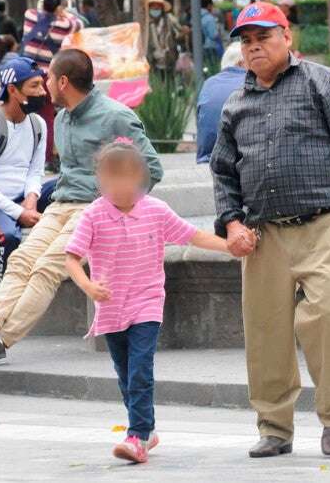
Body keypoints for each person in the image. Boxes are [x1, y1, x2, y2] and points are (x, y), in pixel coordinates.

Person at [211, 2, 330, 459]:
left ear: (287, 37)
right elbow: (224, 173)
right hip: (263, 235)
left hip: (323, 224)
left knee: (325, 317)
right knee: (265, 333)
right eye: (246, 40)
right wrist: (232, 223)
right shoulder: (236, 104)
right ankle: (275, 428)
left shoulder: (322, 82)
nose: (253, 46)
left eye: (263, 36)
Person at [0, 49, 164, 364]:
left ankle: (0, 341)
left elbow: (152, 169)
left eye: (48, 78)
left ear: (62, 81)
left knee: (47, 268)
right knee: (22, 259)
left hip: (94, 208)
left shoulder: (116, 116)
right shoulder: (61, 119)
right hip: (61, 204)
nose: (45, 85)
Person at [65, 141, 227, 463]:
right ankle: (147, 430)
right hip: (111, 309)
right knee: (126, 374)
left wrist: (230, 247)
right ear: (100, 180)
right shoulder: (94, 215)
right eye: (109, 179)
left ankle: (137, 435)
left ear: (139, 177)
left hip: (147, 303)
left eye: (124, 177)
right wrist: (89, 286)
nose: (117, 185)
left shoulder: (156, 210)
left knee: (140, 369)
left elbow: (192, 236)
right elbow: (71, 258)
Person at [0, 57, 57, 308]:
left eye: (42, 85)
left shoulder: (37, 124)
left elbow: (35, 170)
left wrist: (31, 199)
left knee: (70, 187)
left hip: (24, 198)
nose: (42, 92)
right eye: (34, 86)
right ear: (12, 90)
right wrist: (20, 213)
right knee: (6, 237)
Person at [21, 0, 84, 171]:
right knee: (47, 117)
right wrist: (63, 13)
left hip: (25, 74)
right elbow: (79, 24)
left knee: (23, 116)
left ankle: (23, 158)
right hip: (46, 77)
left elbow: (35, 10)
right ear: (57, 7)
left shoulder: (30, 16)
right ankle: (46, 159)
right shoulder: (64, 24)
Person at [196, 42, 246, 164]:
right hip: (238, 158)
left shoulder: (208, 83)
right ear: (240, 63)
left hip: (207, 156)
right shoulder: (249, 82)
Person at [146, 0, 185, 77]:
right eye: (153, 7)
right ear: (149, 8)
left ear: (162, 8)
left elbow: (179, 32)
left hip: (169, 59)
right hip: (153, 62)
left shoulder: (170, 20)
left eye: (158, 7)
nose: (155, 9)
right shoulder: (146, 24)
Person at [201, 0, 224, 66]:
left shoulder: (196, 17)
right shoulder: (209, 18)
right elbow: (214, 35)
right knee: (213, 68)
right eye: (212, 6)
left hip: (201, 47)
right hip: (211, 47)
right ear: (209, 5)